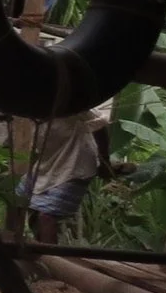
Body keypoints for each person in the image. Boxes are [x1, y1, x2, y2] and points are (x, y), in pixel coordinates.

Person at [16, 99, 113, 244]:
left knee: (46, 217)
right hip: (48, 163)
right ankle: (18, 243)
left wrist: (105, 163)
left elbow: (99, 126)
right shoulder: (32, 108)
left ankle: (51, 259)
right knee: (17, 199)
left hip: (75, 164)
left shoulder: (71, 104)